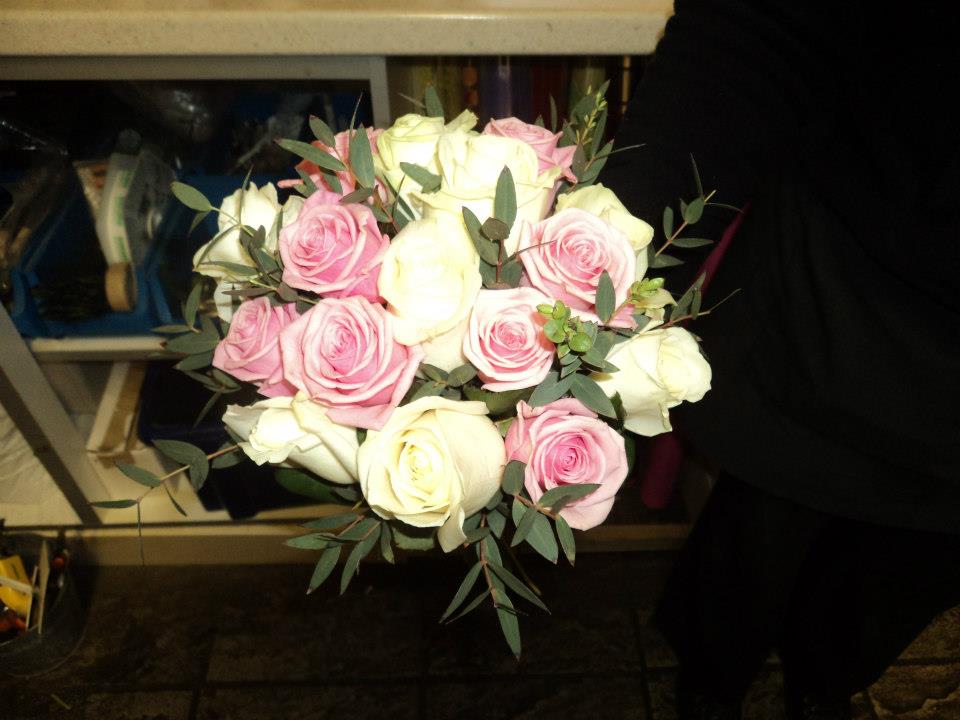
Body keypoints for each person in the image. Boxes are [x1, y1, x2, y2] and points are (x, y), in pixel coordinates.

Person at [599, 2, 960, 718]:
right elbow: (762, 31)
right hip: (841, 275)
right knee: (757, 539)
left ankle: (822, 682)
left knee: (903, 571)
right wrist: (605, 273)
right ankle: (709, 683)